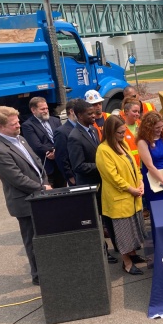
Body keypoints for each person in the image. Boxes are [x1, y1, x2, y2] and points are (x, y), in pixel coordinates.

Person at [0, 106, 52, 286]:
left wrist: (44, 182)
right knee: (33, 240)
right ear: (0, 127)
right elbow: (17, 179)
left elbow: (38, 163)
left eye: (18, 121)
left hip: (39, 195)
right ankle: (38, 275)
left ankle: (49, 268)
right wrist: (42, 187)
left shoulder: (21, 139)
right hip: (25, 203)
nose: (19, 125)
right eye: (14, 123)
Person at [67, 99, 118, 263]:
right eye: (90, 114)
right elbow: (78, 166)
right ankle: (103, 252)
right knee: (96, 222)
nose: (94, 116)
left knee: (109, 217)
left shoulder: (93, 131)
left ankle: (119, 247)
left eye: (94, 113)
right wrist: (103, 166)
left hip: (103, 184)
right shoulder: (74, 137)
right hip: (90, 188)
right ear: (79, 115)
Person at [96, 115, 148, 275]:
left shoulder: (123, 144)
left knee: (133, 230)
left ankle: (133, 255)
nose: (123, 135)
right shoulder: (103, 150)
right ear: (111, 132)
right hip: (120, 199)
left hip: (133, 197)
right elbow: (113, 177)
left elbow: (135, 165)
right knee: (123, 234)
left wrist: (140, 182)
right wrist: (131, 189)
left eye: (124, 131)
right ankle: (126, 262)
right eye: (120, 132)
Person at [21, 97, 66, 188]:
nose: (46, 111)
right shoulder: (28, 126)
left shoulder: (55, 120)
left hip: (61, 166)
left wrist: (56, 152)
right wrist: (53, 150)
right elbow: (36, 146)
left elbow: (62, 139)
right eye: (42, 109)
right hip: (47, 168)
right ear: (33, 110)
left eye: (46, 108)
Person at [137, 110, 163, 212]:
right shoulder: (142, 142)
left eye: (162, 126)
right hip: (153, 178)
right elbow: (149, 165)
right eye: (157, 127)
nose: (160, 129)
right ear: (149, 127)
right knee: (157, 210)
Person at [53, 99, 77, 186]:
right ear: (71, 111)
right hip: (75, 177)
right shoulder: (62, 132)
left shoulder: (85, 127)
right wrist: (70, 176)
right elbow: (61, 156)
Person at [121, 97, 142, 166]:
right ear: (126, 111)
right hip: (131, 165)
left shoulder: (141, 125)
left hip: (144, 164)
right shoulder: (120, 128)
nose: (137, 114)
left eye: (138, 112)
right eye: (134, 111)